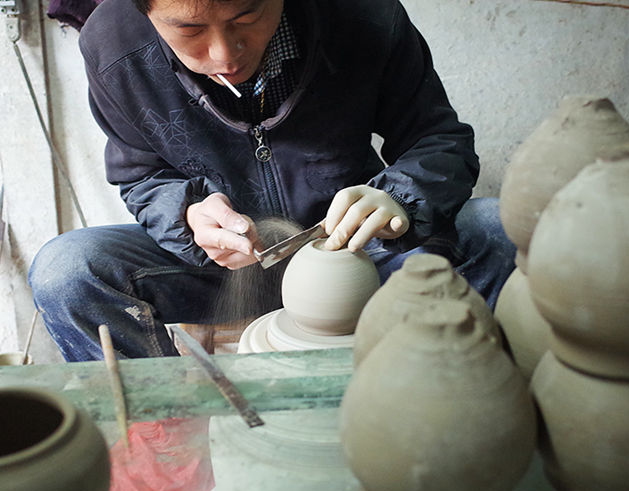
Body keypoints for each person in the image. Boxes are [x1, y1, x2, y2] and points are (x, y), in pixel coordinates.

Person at [29, 0, 516, 362]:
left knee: (497, 229)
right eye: (189, 28)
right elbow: (142, 176)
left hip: (357, 249)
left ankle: (460, 400)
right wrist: (187, 216)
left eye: (246, 15)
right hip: (223, 263)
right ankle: (172, 435)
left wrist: (399, 197)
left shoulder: (363, 14)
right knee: (66, 271)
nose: (224, 53)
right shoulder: (113, 45)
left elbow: (438, 139)